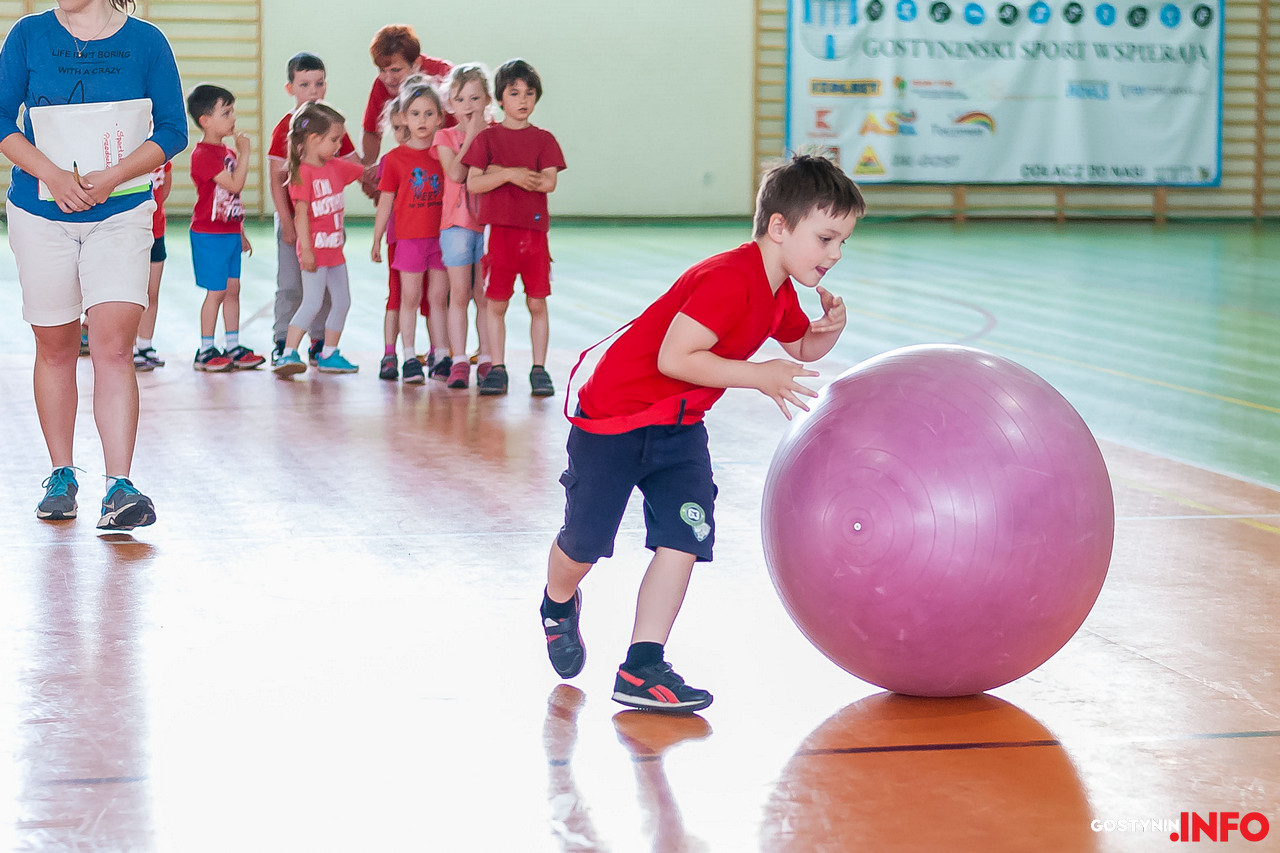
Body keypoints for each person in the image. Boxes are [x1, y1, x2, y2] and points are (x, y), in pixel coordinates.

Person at [540, 154, 866, 712]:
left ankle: (642, 666)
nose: (835, 254)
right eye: (826, 238)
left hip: (679, 428)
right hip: (615, 420)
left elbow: (801, 345)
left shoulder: (778, 290)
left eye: (842, 243)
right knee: (586, 543)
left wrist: (829, 331)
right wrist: (759, 376)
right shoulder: (729, 278)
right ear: (779, 227)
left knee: (684, 536)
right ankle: (557, 601)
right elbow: (675, 358)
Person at [1, 0, 186, 530]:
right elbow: (1, 118)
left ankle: (119, 486)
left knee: (115, 347)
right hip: (40, 212)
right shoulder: (28, 34)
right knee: (56, 347)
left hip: (121, 212)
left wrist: (111, 177)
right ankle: (61, 475)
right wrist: (53, 175)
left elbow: (172, 130)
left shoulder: (147, 41)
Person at [464, 58, 566, 398]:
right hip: (500, 234)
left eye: (529, 93)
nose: (523, 100)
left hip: (534, 235)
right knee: (497, 303)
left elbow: (547, 181)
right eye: (514, 93)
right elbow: (474, 183)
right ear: (500, 98)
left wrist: (501, 172)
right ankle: (498, 367)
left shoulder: (544, 139)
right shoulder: (487, 139)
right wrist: (510, 174)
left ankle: (539, 368)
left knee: (537, 302)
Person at [266, 51, 359, 367]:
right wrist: (287, 221)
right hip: (296, 220)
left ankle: (320, 343)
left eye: (319, 83)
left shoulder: (331, 126)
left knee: (327, 290)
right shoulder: (286, 128)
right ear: (291, 88)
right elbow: (276, 178)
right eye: (305, 84)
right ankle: (283, 342)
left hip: (328, 225)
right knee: (291, 285)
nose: (313, 90)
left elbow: (353, 166)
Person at [371, 78, 446, 385]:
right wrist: (376, 238)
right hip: (409, 240)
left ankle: (441, 355)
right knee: (409, 297)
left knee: (438, 298)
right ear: (403, 117)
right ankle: (409, 356)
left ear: (439, 117)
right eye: (415, 114)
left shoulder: (444, 155)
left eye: (429, 113)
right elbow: (385, 202)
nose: (422, 120)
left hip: (441, 240)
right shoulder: (394, 160)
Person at [186, 83, 263, 371]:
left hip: (229, 232)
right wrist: (246, 154)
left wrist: (240, 232)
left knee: (233, 289)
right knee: (216, 292)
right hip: (209, 235)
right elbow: (235, 184)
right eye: (226, 113)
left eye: (233, 111)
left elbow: (232, 199)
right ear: (205, 120)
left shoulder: (227, 151)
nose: (233, 118)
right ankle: (205, 350)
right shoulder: (203, 155)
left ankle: (233, 345)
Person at [435, 63, 495, 389]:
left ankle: (486, 357)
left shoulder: (497, 134)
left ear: (487, 100)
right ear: (450, 104)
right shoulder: (445, 137)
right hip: (456, 225)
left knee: (483, 295)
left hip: (488, 224)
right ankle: (458, 359)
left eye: (475, 98)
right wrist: (472, 133)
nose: (468, 106)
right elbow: (457, 174)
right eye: (460, 99)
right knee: (458, 294)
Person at [359, 24, 452, 201]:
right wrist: (369, 173)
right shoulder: (382, 85)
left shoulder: (444, 76)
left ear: (416, 63)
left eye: (396, 70)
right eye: (382, 70)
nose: (388, 79)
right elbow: (371, 130)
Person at [133, 158, 172, 370]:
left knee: (151, 293)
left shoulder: (163, 157)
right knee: (131, 294)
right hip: (132, 232)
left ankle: (145, 345)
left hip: (157, 231)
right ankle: (129, 347)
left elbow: (164, 191)